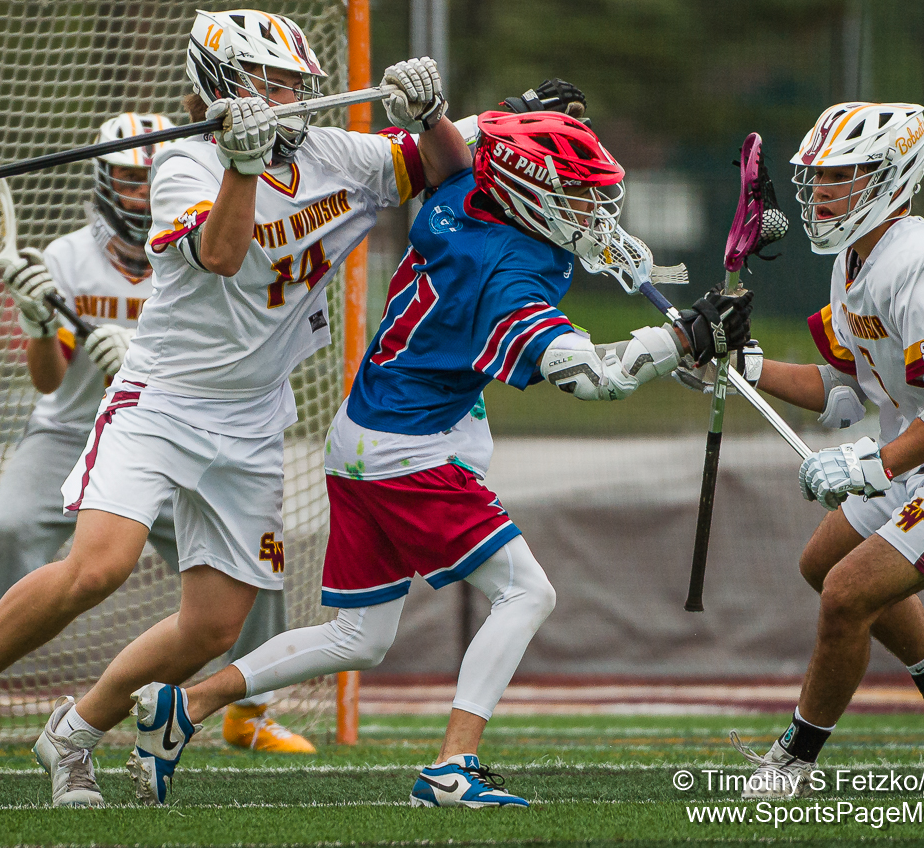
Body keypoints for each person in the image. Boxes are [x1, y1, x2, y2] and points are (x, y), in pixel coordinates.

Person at [0, 9, 460, 806]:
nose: (294, 97)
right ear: (226, 85)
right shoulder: (185, 165)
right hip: (163, 401)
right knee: (98, 567)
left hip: (253, 417)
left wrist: (430, 117)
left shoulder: (341, 156)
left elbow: (446, 167)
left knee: (213, 627)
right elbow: (222, 254)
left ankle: (75, 733)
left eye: (298, 84)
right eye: (276, 84)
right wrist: (244, 166)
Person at [126, 107, 755, 809]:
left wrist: (522, 112)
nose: (593, 211)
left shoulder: (463, 191)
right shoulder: (503, 271)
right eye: (577, 195)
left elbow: (472, 146)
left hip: (364, 434)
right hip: (409, 450)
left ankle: (187, 706)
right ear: (529, 193)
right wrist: (680, 342)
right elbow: (591, 378)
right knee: (527, 593)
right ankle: (453, 766)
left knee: (359, 637)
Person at [0, 112, 312, 756]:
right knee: (10, 532)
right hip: (70, 431)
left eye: (151, 176)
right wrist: (40, 325)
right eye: (130, 178)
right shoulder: (68, 259)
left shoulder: (218, 241)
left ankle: (250, 709)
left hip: (174, 430)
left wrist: (136, 362)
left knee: (251, 562)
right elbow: (49, 382)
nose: (143, 190)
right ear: (104, 182)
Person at [725, 102, 924, 798]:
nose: (822, 191)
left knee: (847, 594)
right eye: (819, 176)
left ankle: (794, 762)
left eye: (841, 175)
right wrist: (743, 366)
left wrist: (868, 463)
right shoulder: (853, 262)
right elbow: (843, 389)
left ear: (891, 176)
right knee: (822, 564)